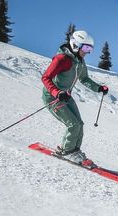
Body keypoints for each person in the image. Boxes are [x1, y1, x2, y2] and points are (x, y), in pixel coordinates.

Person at [41, 30, 109, 165]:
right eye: (85, 47)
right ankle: (68, 152)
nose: (87, 51)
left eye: (90, 48)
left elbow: (84, 79)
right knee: (73, 124)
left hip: (66, 96)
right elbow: (45, 77)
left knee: (80, 123)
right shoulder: (62, 59)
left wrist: (99, 88)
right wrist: (57, 93)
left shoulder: (80, 62)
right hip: (53, 97)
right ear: (76, 44)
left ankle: (74, 150)